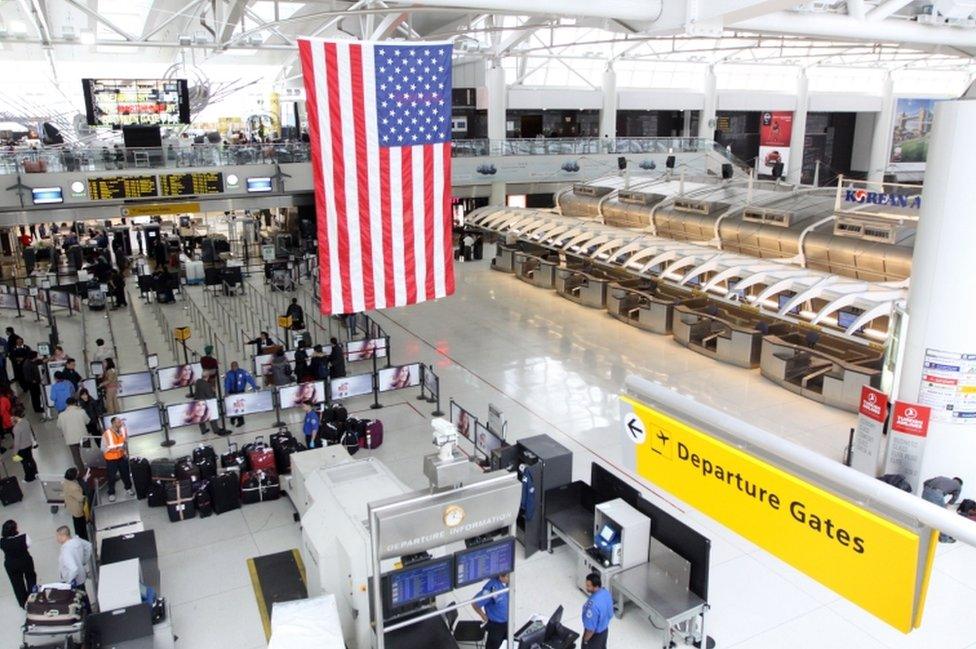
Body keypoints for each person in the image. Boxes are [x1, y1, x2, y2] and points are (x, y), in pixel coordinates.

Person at [0, 520, 36, 608]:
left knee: (17, 583)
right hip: (25, 560)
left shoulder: (2, 541)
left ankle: (23, 603)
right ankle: (32, 597)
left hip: (11, 564)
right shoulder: (24, 537)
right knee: (30, 577)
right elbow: (28, 545)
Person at [472, 572, 509, 649]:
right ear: (501, 577)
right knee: (494, 646)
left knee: (506, 643)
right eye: (508, 577)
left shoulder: (508, 583)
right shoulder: (491, 588)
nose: (510, 579)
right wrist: (484, 616)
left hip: (508, 621)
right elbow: (475, 603)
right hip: (496, 626)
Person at [922, 476, 964, 542]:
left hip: (925, 492)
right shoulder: (958, 486)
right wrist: (947, 506)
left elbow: (925, 482)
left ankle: (924, 531)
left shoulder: (942, 478)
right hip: (936, 494)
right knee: (943, 517)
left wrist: (928, 491)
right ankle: (944, 538)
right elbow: (955, 498)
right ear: (960, 483)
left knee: (928, 512)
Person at [101, 416, 133, 503]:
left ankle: (128, 488)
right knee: (111, 476)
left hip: (121, 457)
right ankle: (111, 493)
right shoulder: (107, 434)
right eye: (119, 422)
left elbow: (125, 441)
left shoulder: (122, 430)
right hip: (111, 459)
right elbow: (103, 448)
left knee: (125, 473)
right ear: (113, 423)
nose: (121, 423)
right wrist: (116, 449)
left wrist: (124, 450)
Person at [581, 572, 613, 649]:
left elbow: (591, 629)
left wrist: (585, 640)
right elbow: (610, 613)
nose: (586, 587)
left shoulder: (593, 606)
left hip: (594, 637)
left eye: (588, 586)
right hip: (604, 631)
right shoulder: (606, 593)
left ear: (595, 586)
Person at [58, 397, 89, 474]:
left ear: (66, 404)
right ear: (76, 403)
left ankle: (82, 472)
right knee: (87, 453)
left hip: (70, 438)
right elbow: (87, 421)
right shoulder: (81, 411)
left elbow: (59, 426)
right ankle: (90, 467)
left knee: (76, 457)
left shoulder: (61, 415)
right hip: (83, 437)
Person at [56, 525, 92, 592]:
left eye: (58, 536)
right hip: (82, 577)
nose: (57, 539)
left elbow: (74, 569)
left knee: (78, 599)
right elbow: (89, 546)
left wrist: (68, 582)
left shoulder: (66, 550)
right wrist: (83, 561)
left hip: (74, 583)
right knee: (84, 595)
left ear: (63, 536)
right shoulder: (77, 541)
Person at [224, 362, 259, 427]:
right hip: (232, 392)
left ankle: (241, 421)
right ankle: (233, 418)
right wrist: (226, 392)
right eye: (232, 366)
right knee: (233, 406)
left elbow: (250, 379)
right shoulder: (228, 374)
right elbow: (227, 384)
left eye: (235, 366)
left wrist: (254, 387)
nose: (233, 368)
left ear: (238, 366)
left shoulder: (243, 372)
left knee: (240, 406)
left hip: (240, 391)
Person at [10, 407, 37, 482]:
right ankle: (35, 473)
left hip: (21, 449)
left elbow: (17, 442)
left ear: (15, 416)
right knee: (31, 460)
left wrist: (14, 453)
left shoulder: (16, 428)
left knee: (24, 463)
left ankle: (28, 478)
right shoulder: (26, 421)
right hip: (29, 445)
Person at [62, 468, 88, 541]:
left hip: (71, 505)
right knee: (80, 524)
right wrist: (86, 496)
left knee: (76, 521)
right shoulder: (74, 487)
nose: (78, 472)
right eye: (77, 473)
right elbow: (80, 498)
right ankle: (83, 538)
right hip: (77, 509)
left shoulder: (65, 482)